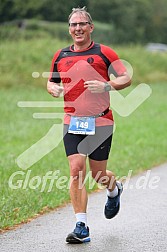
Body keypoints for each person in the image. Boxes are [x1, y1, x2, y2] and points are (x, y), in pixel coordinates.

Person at [47, 6, 131, 244]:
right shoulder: (60, 55)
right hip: (72, 121)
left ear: (91, 28)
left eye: (82, 24)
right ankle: (81, 225)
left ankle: (114, 190)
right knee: (76, 170)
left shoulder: (105, 53)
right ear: (69, 29)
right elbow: (51, 81)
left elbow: (126, 77)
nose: (78, 28)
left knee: (99, 175)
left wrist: (107, 85)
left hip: (101, 121)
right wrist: (52, 88)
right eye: (73, 24)